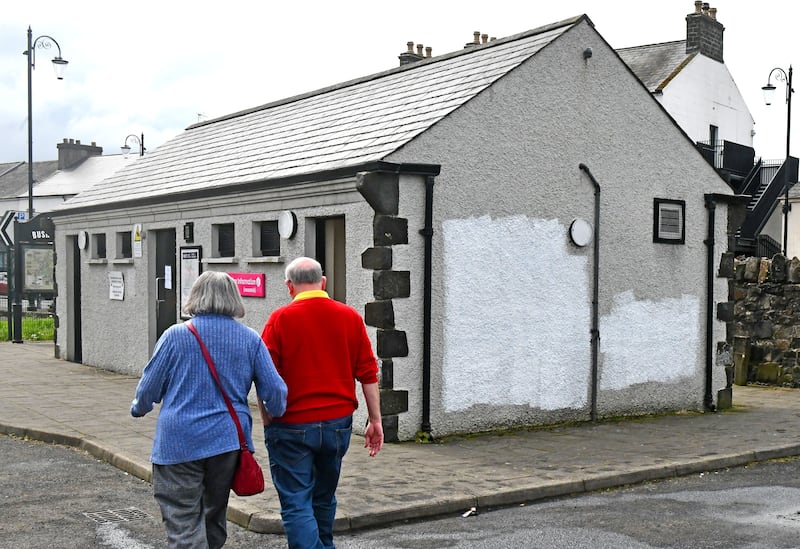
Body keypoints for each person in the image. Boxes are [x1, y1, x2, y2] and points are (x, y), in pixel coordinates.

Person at [131, 271, 287, 549]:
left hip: (178, 444)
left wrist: (139, 408)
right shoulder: (250, 339)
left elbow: (148, 389)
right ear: (233, 299)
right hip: (226, 444)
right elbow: (275, 390)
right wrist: (276, 411)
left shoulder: (175, 335)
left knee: (183, 521)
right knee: (214, 515)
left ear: (196, 297)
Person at [259, 256, 383, 549]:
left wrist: (265, 415)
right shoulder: (349, 317)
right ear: (322, 282)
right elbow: (368, 373)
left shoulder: (280, 319)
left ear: (289, 286)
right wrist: (375, 420)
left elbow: (264, 373)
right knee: (324, 498)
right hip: (337, 424)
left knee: (296, 501)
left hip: (291, 425)